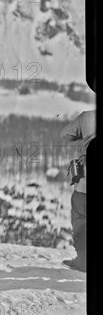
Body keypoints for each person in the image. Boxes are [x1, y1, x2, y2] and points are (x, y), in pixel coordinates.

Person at [60, 109, 95, 272]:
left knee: (80, 220)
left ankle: (83, 261)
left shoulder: (87, 116)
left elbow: (65, 135)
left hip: (84, 186)